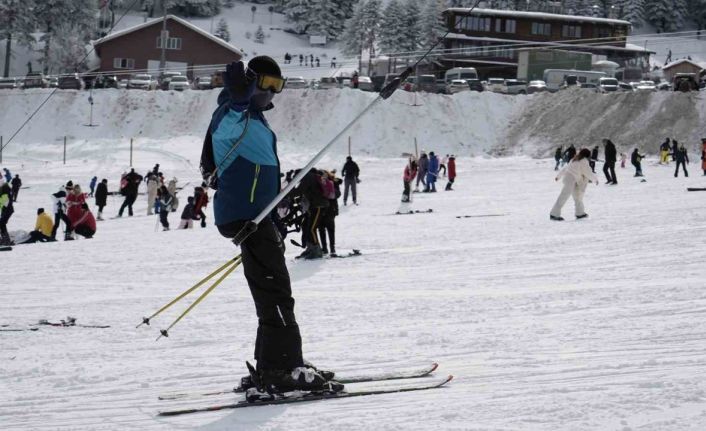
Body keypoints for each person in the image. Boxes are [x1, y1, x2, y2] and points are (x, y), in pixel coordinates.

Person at [199, 56, 335, 393]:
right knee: (276, 292)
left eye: (278, 86)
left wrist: (274, 215)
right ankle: (281, 367)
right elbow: (225, 129)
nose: (272, 93)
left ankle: (272, 362)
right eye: (266, 84)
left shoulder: (255, 118)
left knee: (271, 290)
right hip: (246, 216)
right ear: (249, 82)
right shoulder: (233, 114)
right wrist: (237, 101)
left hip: (257, 216)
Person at [550, 148, 598, 221]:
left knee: (578, 197)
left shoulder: (574, 159)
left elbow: (565, 168)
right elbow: (588, 172)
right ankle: (554, 214)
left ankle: (580, 213)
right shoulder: (583, 161)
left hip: (574, 180)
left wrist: (558, 176)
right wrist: (595, 179)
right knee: (563, 197)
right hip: (570, 180)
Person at [318, 170, 341, 255]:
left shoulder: (333, 183)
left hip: (330, 209)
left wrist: (329, 190)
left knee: (330, 229)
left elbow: (337, 194)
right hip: (321, 209)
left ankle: (332, 248)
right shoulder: (318, 184)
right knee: (321, 229)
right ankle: (324, 248)